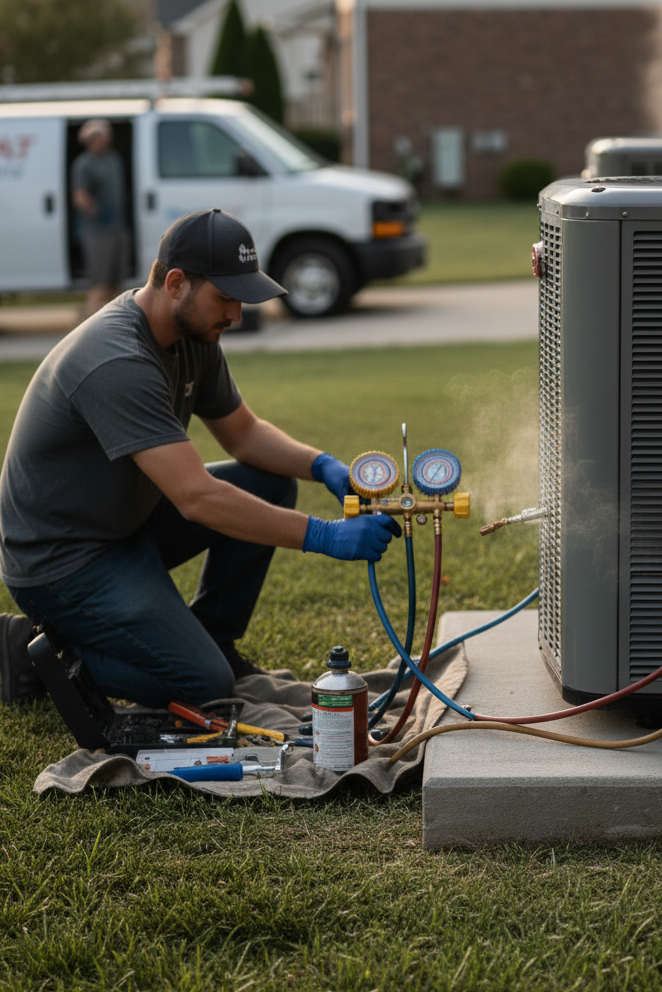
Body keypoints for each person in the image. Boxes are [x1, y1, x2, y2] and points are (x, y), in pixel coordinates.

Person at [0, 208, 399, 707]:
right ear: (175, 283)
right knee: (200, 685)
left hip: (127, 525)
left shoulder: (194, 334)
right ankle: (37, 658)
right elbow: (195, 498)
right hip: (64, 561)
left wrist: (324, 466)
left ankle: (214, 639)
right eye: (226, 297)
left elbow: (244, 434)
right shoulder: (115, 359)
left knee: (270, 482)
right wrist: (322, 536)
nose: (236, 315)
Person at [71, 119, 128, 319]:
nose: (103, 138)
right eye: (98, 135)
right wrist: (97, 211)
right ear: (88, 139)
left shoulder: (114, 159)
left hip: (117, 228)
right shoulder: (84, 164)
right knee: (99, 282)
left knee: (116, 282)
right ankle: (90, 323)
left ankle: (114, 323)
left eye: (105, 134)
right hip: (96, 231)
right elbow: (79, 197)